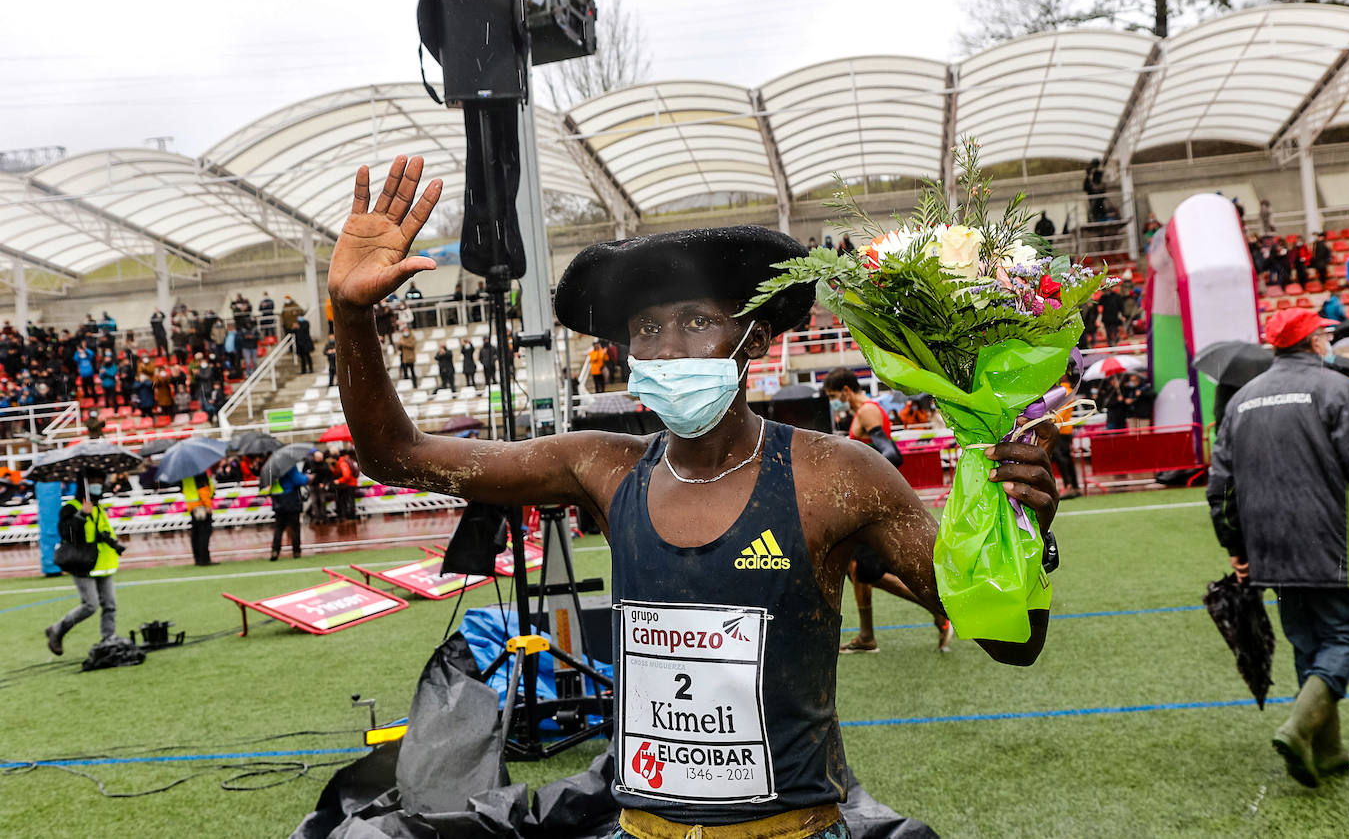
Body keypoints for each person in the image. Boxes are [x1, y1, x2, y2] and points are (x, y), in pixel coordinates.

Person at [327, 156, 1058, 836]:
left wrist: (1025, 535)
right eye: (647, 329)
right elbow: (396, 455)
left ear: (756, 338)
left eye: (698, 322)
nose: (669, 349)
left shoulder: (837, 476)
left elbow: (1012, 642)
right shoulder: (601, 467)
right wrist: (352, 316)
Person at [1208, 308, 1349, 787]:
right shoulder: (1340, 389)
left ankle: (1327, 749)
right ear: (1314, 341)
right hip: (1334, 540)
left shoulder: (1241, 400)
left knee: (1308, 644)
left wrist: (1235, 545)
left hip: (1270, 549)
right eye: (1324, 333)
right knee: (1344, 637)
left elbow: (1221, 486)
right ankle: (1299, 729)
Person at [821, 368, 953, 653]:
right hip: (865, 505)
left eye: (833, 396)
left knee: (866, 571)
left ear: (846, 390)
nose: (833, 402)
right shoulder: (861, 413)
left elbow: (892, 454)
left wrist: (865, 483)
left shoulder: (868, 412)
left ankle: (939, 610)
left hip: (872, 506)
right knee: (857, 570)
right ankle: (867, 637)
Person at [45, 469, 124, 655]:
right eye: (94, 482)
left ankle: (109, 638)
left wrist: (114, 544)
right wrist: (81, 515)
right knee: (90, 605)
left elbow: (102, 531)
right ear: (84, 484)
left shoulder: (98, 507)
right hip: (81, 562)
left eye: (100, 481)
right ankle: (58, 629)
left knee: (110, 604)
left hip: (103, 563)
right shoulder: (71, 507)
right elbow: (66, 533)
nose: (98, 486)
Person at [268, 464, 310, 560]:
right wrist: (307, 477)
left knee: (279, 528)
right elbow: (299, 480)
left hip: (278, 499)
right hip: (290, 499)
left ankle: (275, 551)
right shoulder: (290, 466)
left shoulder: (273, 467)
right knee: (295, 527)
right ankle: (296, 551)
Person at [182, 471, 215, 566]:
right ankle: (205, 559)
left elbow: (183, 490)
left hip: (192, 506)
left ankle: (198, 559)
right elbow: (203, 489)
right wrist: (208, 505)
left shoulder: (184, 474)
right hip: (201, 506)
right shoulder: (199, 472)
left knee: (195, 534)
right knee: (204, 533)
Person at [333, 447, 360, 521]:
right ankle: (352, 515)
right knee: (351, 500)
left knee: (348, 500)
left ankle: (350, 516)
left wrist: (339, 480)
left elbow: (346, 475)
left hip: (349, 484)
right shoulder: (351, 461)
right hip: (353, 482)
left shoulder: (343, 462)